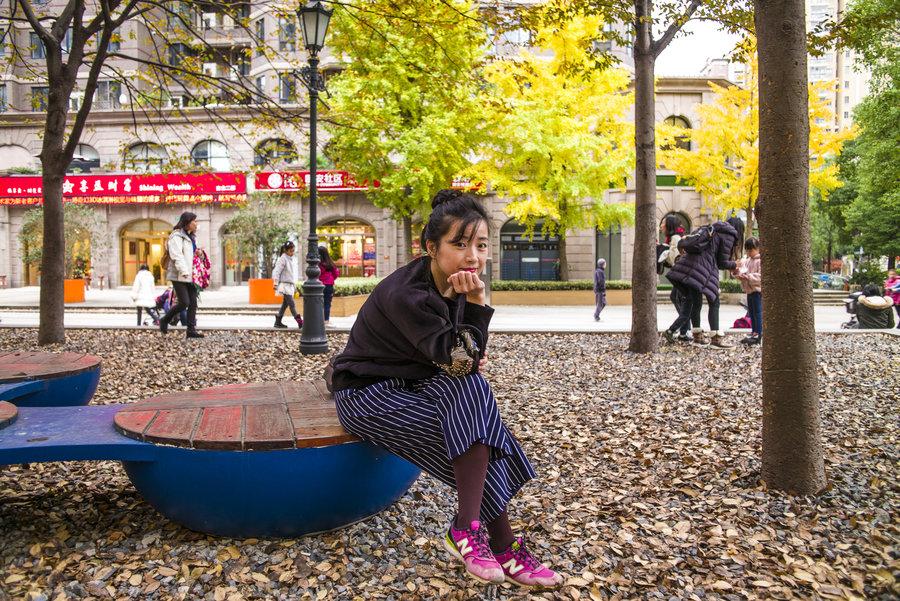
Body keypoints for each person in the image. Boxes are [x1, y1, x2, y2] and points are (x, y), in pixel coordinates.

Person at [330, 189, 562, 589]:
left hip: (419, 383)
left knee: (472, 399)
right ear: (431, 247)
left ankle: (468, 527)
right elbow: (460, 359)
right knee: (474, 426)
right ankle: (501, 543)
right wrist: (475, 309)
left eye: (481, 244)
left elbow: (462, 360)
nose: (473, 255)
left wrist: (465, 352)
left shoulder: (453, 282)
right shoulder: (411, 294)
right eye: (460, 244)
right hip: (367, 394)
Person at [663, 217, 744, 349]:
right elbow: (721, 263)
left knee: (696, 302)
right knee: (714, 301)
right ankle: (716, 340)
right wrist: (736, 264)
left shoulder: (709, 228)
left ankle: (698, 338)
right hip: (704, 270)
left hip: (689, 267)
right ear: (738, 229)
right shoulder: (729, 234)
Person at [160, 211, 203, 339]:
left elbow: (190, 255)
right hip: (179, 274)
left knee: (193, 303)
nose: (196, 223)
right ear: (187, 222)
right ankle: (165, 320)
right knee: (184, 302)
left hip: (190, 274)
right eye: (194, 221)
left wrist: (199, 253)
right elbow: (177, 255)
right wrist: (184, 271)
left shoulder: (191, 237)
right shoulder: (176, 237)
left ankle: (191, 330)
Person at [660, 216, 691, 342]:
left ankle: (678, 329)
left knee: (684, 302)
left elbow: (675, 259)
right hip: (680, 276)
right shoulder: (673, 238)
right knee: (678, 298)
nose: (661, 226)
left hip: (682, 277)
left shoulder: (675, 238)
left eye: (663, 224)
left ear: (669, 226)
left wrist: (664, 253)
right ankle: (684, 331)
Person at [735, 237, 762, 345]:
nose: (749, 252)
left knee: (757, 313)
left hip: (757, 291)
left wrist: (748, 277)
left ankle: (758, 333)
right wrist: (738, 274)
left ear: (757, 248)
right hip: (749, 291)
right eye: (747, 250)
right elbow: (741, 271)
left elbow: (760, 277)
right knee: (751, 313)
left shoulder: (760, 261)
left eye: (751, 250)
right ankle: (753, 332)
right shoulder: (747, 260)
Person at [272, 241, 302, 329]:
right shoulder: (283, 258)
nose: (292, 253)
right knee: (292, 304)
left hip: (289, 285)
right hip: (284, 286)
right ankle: (300, 322)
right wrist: (275, 283)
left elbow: (291, 275)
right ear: (286, 250)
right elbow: (277, 271)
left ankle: (278, 321)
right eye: (291, 251)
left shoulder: (289, 258)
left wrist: (295, 287)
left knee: (285, 304)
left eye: (293, 251)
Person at [318, 246, 340, 325]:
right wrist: (330, 279)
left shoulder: (317, 264)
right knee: (327, 303)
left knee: (318, 303)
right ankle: (326, 320)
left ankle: (319, 320)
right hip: (328, 286)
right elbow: (336, 273)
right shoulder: (330, 263)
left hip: (319, 286)